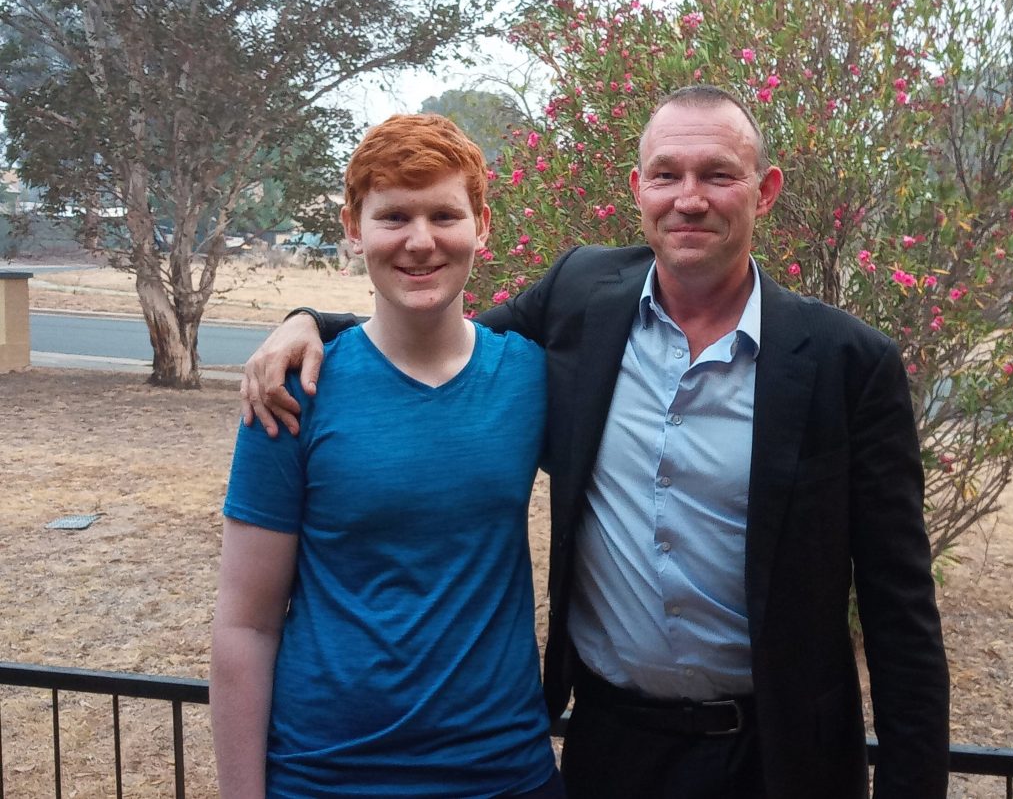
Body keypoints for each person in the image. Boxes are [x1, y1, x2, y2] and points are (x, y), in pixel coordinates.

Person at [241, 86, 950, 798]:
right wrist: (312, 322)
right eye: (668, 174)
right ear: (638, 190)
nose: (690, 198)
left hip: (781, 758)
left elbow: (901, 617)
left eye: (718, 175)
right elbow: (437, 332)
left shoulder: (848, 363)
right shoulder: (582, 295)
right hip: (612, 750)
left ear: (764, 192)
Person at [210, 114, 563, 799]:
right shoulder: (294, 390)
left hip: (502, 774)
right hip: (326, 777)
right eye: (394, 216)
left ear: (482, 225)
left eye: (444, 214)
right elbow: (246, 623)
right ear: (352, 228)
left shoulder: (531, 378)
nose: (421, 241)